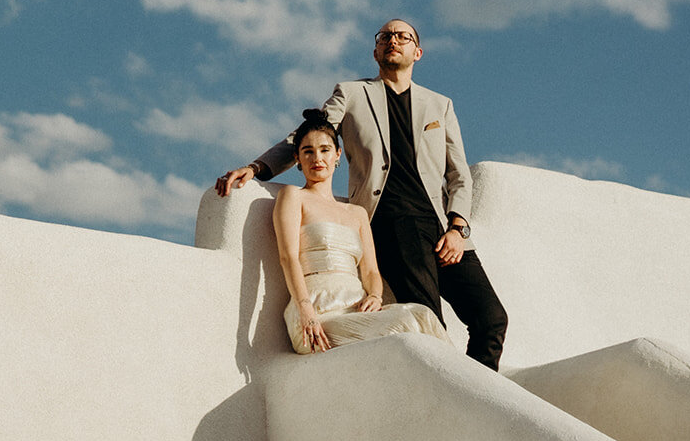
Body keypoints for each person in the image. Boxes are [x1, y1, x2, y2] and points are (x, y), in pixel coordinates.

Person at [217, 19, 508, 369]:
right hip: (391, 222)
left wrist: (458, 229)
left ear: (417, 52)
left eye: (403, 36)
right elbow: (308, 136)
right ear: (375, 50)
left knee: (492, 319)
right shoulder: (352, 94)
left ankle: (473, 396)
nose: (393, 40)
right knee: (429, 322)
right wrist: (258, 168)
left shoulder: (440, 105)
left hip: (443, 228)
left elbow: (459, 174)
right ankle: (447, 396)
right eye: (385, 36)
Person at [272, 108, 449, 354]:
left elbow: (370, 270)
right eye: (307, 152)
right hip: (317, 313)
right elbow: (287, 257)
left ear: (337, 155)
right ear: (298, 159)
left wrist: (375, 296)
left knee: (423, 316)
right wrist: (305, 310)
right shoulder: (293, 197)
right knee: (403, 326)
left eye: (324, 150)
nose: (317, 158)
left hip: (356, 307)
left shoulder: (357, 213)